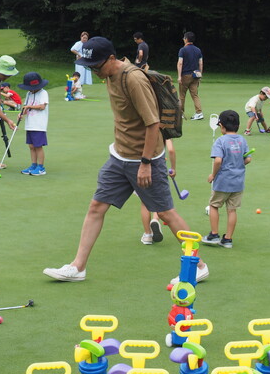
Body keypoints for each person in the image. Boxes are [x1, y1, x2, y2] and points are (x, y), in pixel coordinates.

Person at [43, 37, 208, 282]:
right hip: (119, 155)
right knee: (96, 206)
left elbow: (153, 124)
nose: (94, 70)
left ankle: (199, 266)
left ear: (111, 58)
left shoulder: (133, 79)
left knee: (165, 213)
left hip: (145, 158)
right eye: (90, 66)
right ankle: (78, 267)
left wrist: (145, 163)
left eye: (97, 66)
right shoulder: (109, 74)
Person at [202, 110, 252, 249]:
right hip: (238, 182)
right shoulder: (242, 140)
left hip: (222, 181)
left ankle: (214, 234)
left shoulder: (220, 141)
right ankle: (228, 239)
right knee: (232, 210)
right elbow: (248, 158)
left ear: (222, 125)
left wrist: (213, 175)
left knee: (214, 206)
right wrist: (239, 163)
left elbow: (218, 160)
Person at [140, 139, 176, 245]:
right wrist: (173, 168)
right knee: (158, 198)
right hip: (157, 167)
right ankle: (155, 219)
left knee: (144, 201)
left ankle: (147, 235)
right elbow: (171, 150)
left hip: (140, 167)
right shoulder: (164, 129)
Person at [18, 72, 49, 176]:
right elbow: (26, 107)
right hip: (30, 124)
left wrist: (28, 107)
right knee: (31, 146)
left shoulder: (43, 93)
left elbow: (42, 107)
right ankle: (33, 165)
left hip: (39, 124)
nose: (30, 89)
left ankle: (41, 168)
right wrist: (22, 113)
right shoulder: (29, 94)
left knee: (38, 146)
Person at [177, 31, 204, 121]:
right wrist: (200, 74)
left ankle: (180, 113)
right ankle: (199, 113)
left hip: (185, 75)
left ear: (186, 39)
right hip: (196, 75)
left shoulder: (183, 50)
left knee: (182, 95)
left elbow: (180, 63)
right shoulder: (198, 50)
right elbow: (200, 63)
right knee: (195, 95)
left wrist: (179, 76)